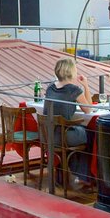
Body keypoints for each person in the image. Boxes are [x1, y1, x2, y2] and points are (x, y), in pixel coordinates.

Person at [42, 58, 93, 188]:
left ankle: (66, 175)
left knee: (80, 134)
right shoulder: (73, 90)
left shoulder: (50, 88)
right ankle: (86, 176)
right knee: (91, 135)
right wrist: (86, 86)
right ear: (71, 71)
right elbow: (88, 109)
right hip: (64, 136)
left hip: (49, 135)